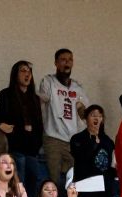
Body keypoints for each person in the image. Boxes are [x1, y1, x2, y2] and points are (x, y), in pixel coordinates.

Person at [37, 49, 89, 186]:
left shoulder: (77, 87)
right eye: (63, 60)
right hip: (52, 137)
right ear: (56, 63)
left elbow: (82, 110)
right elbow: (42, 99)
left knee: (75, 179)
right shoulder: (48, 81)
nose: (67, 63)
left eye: (70, 60)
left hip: (72, 140)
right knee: (53, 179)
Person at [0, 61, 43, 190]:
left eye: (29, 71)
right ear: (15, 74)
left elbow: (39, 124)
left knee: (34, 181)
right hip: (15, 146)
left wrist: (38, 143)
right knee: (18, 181)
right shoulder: (6, 94)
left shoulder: (35, 98)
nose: (27, 74)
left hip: (32, 148)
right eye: (23, 71)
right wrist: (2, 126)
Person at [68, 105, 114, 197]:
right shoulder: (77, 138)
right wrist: (94, 141)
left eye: (99, 116)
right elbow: (81, 158)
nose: (97, 118)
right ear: (86, 118)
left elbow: (110, 164)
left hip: (104, 185)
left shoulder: (108, 141)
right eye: (93, 115)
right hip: (86, 184)